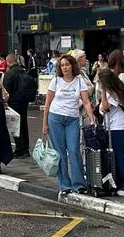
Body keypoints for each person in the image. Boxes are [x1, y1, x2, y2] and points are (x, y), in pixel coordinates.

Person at [41, 53, 96, 198]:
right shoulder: (56, 81)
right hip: (55, 118)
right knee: (60, 153)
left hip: (72, 119)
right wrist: (45, 123)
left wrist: (92, 119)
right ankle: (64, 184)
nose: (64, 67)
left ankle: (78, 184)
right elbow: (47, 103)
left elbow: (85, 102)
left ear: (72, 65)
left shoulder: (79, 81)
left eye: (67, 65)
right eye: (62, 65)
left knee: (74, 150)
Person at [99, 51, 124, 196]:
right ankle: (116, 181)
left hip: (118, 123)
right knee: (113, 154)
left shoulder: (122, 78)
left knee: (120, 154)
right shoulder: (109, 77)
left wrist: (103, 90)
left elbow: (106, 105)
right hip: (110, 123)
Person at [2, 52, 36, 157]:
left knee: (16, 126)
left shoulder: (9, 74)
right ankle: (25, 147)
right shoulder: (24, 71)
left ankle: (19, 148)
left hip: (13, 102)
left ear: (8, 62)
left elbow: (5, 90)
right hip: (24, 102)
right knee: (24, 124)